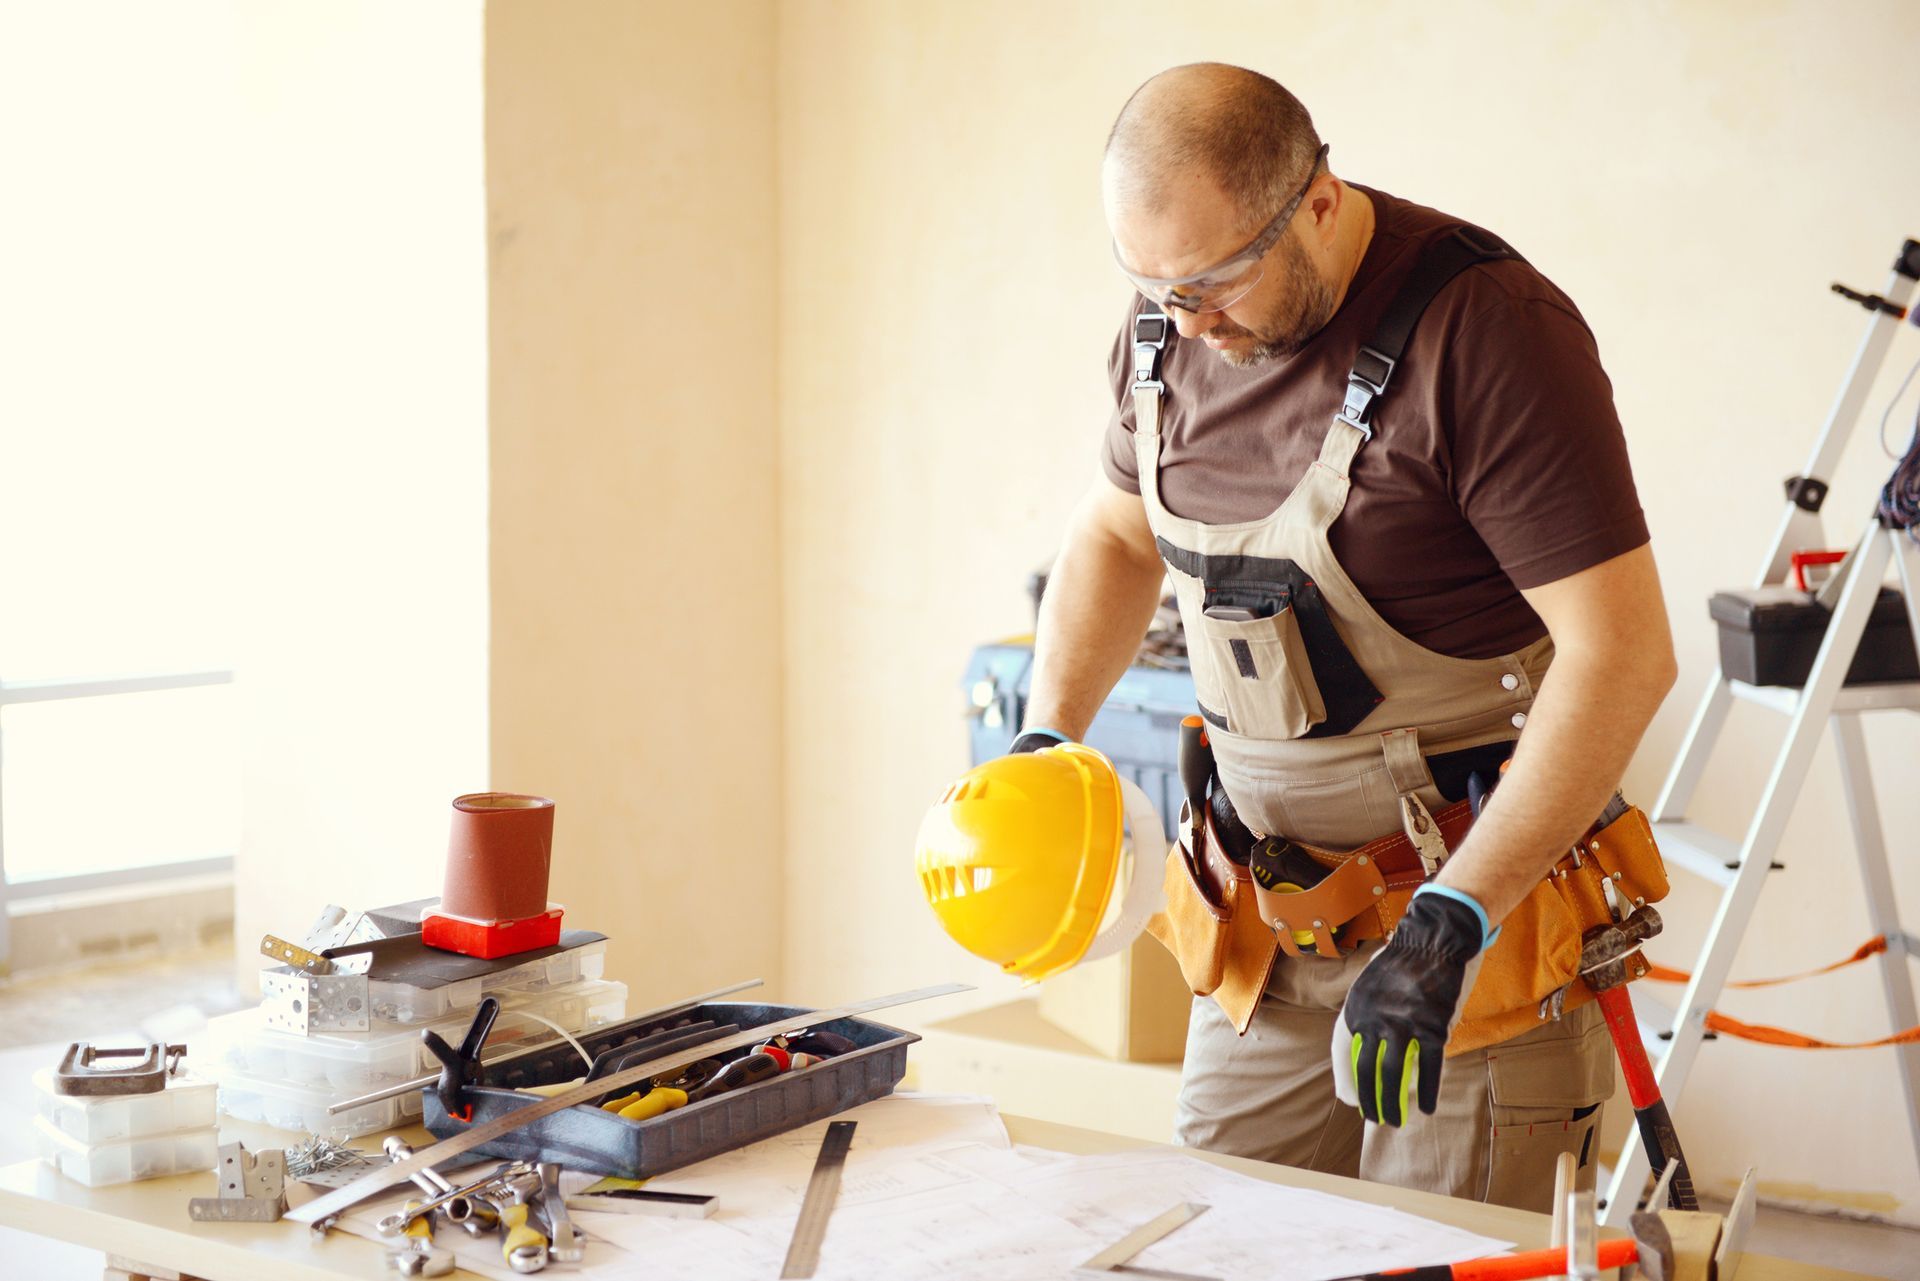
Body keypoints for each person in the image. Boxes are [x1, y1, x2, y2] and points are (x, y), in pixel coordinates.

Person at [1012, 62, 1677, 1209]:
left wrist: (1454, 917)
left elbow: (1622, 655)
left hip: (1469, 931)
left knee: (1430, 1244)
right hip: (1264, 934)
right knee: (1220, 1236)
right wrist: (1043, 738)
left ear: (1318, 198)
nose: (1187, 320)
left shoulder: (1488, 333)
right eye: (1154, 285)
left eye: (1217, 280)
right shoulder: (1169, 331)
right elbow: (1116, 541)